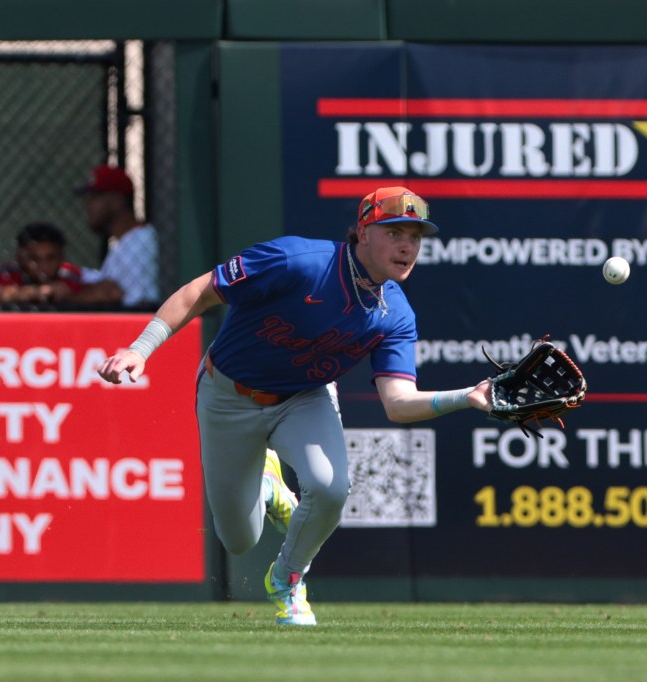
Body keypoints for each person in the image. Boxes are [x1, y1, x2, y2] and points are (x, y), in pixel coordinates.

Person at [96, 187, 494, 626]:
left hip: (306, 396)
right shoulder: (297, 261)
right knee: (239, 539)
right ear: (363, 232)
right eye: (394, 231)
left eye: (416, 237)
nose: (407, 246)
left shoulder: (396, 312)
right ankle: (268, 487)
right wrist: (140, 349)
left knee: (330, 487)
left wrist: (466, 399)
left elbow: (398, 404)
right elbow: (201, 291)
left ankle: (287, 580)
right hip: (229, 395)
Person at [70, 165, 160, 308]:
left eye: (94, 197)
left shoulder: (141, 242)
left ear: (117, 200)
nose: (87, 205)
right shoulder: (125, 242)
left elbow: (142, 304)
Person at [0, 222, 86, 306]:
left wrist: (70, 296)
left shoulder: (75, 275)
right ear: (20, 257)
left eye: (51, 258)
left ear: (61, 257)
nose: (42, 265)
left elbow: (102, 289)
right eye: (34, 258)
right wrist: (35, 292)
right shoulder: (4, 273)